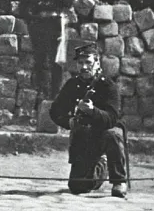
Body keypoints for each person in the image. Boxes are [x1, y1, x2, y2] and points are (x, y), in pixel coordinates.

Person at [50, 43, 128, 198]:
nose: (84, 67)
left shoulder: (108, 86)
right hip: (83, 137)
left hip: (104, 134)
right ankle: (101, 167)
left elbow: (112, 118)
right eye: (80, 63)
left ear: (97, 63)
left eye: (88, 63)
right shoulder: (73, 84)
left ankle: (119, 180)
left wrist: (93, 111)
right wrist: (69, 122)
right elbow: (55, 111)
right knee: (77, 187)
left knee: (113, 135)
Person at [20, 0, 73, 103]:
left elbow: (69, 2)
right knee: (40, 61)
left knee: (56, 62)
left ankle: (56, 93)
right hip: (38, 26)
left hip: (55, 25)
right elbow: (22, 8)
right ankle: (42, 92)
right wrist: (31, 21)